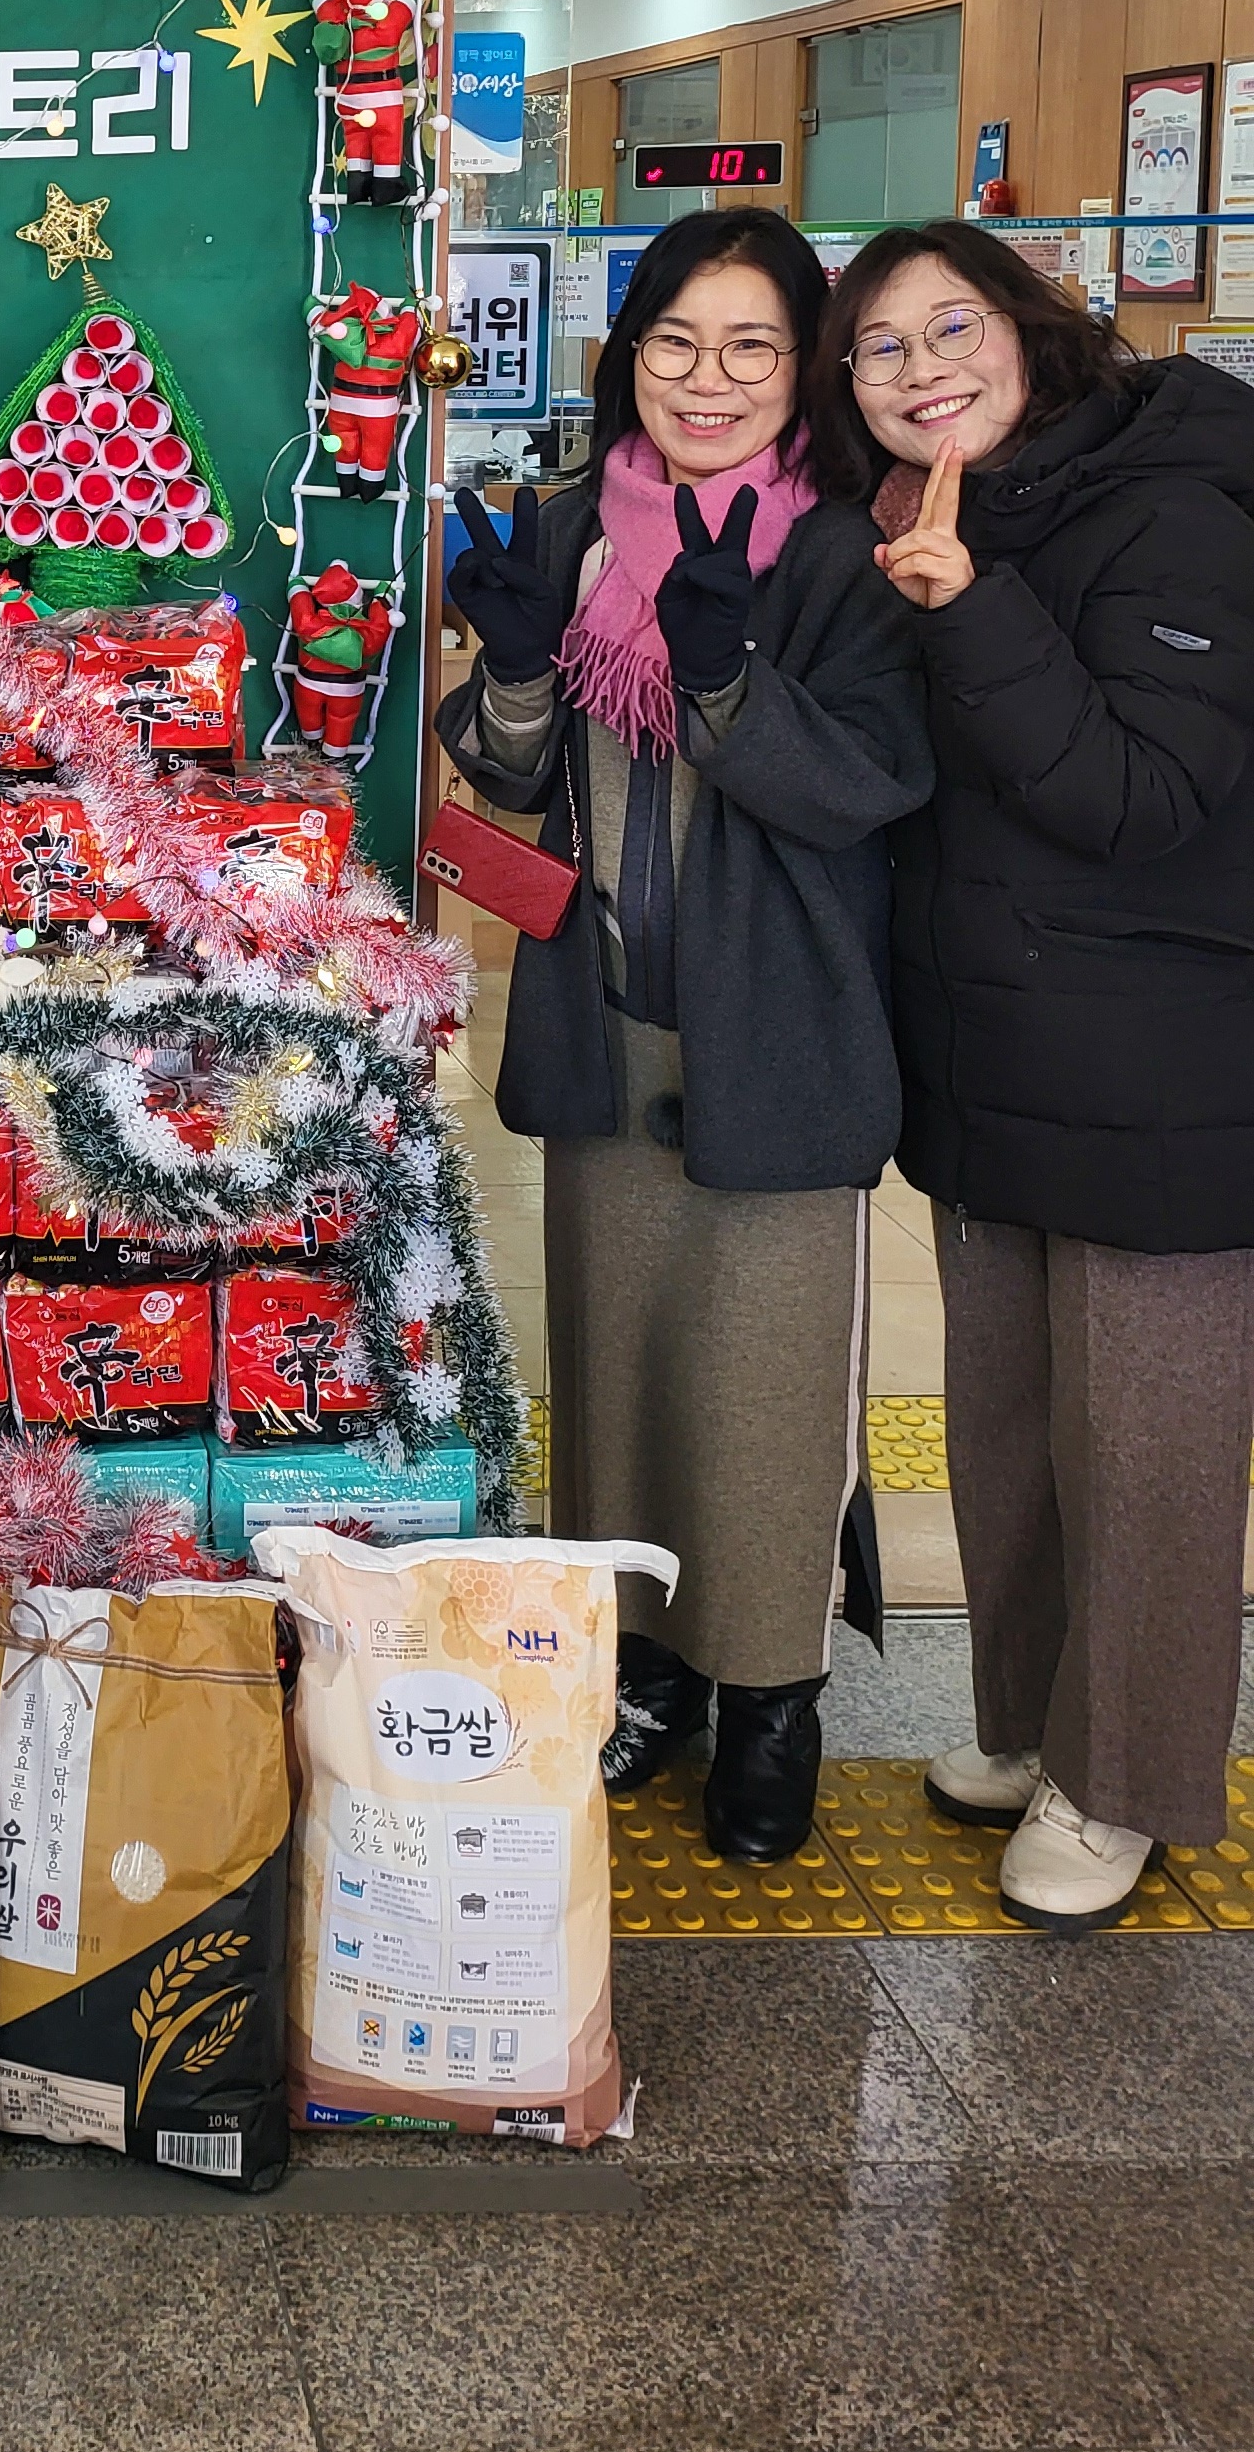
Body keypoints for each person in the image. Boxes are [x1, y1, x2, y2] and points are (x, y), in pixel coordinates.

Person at [440, 208, 931, 1857]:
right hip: (606, 1011)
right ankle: (643, 1662)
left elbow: (867, 787)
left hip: (777, 1031)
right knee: (623, 1360)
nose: (705, 382)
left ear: (803, 374)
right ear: (624, 349)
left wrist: (723, 679)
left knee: (769, 1385)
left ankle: (772, 1693)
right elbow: (509, 788)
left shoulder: (848, 551)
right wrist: (515, 670)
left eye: (750, 349)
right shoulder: (577, 529)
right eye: (674, 343)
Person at [816, 218, 1254, 1926]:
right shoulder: (948, 514)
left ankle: (1126, 1779)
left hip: (1165, 1074)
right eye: (885, 350)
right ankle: (1029, 1724)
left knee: (1146, 1447)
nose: (927, 369)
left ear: (1032, 327)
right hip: (994, 1058)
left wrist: (976, 613)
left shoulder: (1172, 510)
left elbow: (1138, 801)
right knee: (1008, 1430)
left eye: (955, 327)